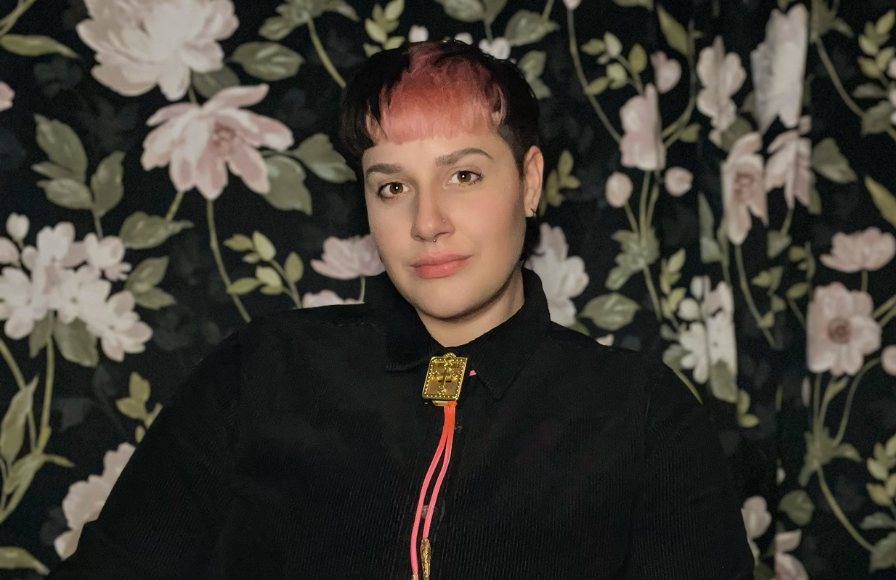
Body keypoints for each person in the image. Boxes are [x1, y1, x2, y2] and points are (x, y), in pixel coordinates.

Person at [51, 40, 754, 579]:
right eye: (392, 187)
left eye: (464, 175)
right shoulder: (262, 371)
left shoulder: (641, 414)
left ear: (530, 182)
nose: (427, 222)